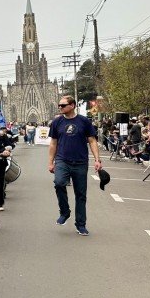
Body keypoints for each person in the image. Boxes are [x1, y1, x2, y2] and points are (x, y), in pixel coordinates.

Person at [48, 95, 101, 236]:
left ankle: (81, 224)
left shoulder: (84, 121)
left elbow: (92, 141)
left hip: (80, 162)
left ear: (72, 105)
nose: (60, 107)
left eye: (63, 105)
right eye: (59, 105)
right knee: (59, 183)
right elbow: (53, 143)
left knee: (81, 194)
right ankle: (64, 212)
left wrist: (97, 160)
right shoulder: (56, 122)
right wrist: (50, 162)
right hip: (62, 160)